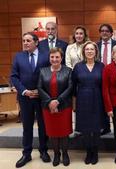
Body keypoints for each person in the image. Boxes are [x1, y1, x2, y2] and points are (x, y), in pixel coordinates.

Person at [11, 32, 50, 168]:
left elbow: (49, 75)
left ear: (36, 42)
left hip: (41, 97)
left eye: (28, 41)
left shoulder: (46, 56)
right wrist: (25, 91)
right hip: (25, 97)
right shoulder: (18, 57)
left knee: (43, 126)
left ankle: (43, 150)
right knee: (26, 126)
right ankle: (26, 153)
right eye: (24, 41)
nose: (25, 43)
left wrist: (40, 91)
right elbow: (14, 77)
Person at [37, 47, 73, 166]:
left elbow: (70, 88)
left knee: (64, 132)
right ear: (49, 58)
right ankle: (56, 154)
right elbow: (40, 88)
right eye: (52, 57)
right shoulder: (43, 71)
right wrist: (50, 102)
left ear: (61, 58)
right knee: (52, 132)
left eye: (57, 57)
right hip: (48, 108)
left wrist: (57, 101)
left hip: (64, 107)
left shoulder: (68, 71)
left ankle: (65, 153)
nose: (54, 59)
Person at [72, 41, 105, 165]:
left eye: (92, 49)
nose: (90, 51)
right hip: (82, 99)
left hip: (98, 99)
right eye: (87, 49)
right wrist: (74, 104)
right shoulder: (78, 66)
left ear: (96, 52)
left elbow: (104, 86)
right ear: (83, 52)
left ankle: (95, 152)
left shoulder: (101, 66)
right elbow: (73, 86)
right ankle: (88, 152)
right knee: (85, 128)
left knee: (96, 128)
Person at [97, 23, 116, 136]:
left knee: (115, 102)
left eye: (107, 31)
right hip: (99, 76)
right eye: (102, 31)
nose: (104, 33)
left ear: (112, 33)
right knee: (102, 101)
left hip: (115, 76)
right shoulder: (96, 45)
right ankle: (105, 126)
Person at [65, 26, 89, 138]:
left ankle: (87, 128)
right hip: (74, 79)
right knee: (75, 104)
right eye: (77, 33)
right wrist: (75, 74)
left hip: (87, 78)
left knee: (86, 104)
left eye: (81, 33)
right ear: (74, 35)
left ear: (84, 35)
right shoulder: (69, 47)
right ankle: (78, 128)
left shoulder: (89, 46)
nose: (79, 35)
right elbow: (68, 63)